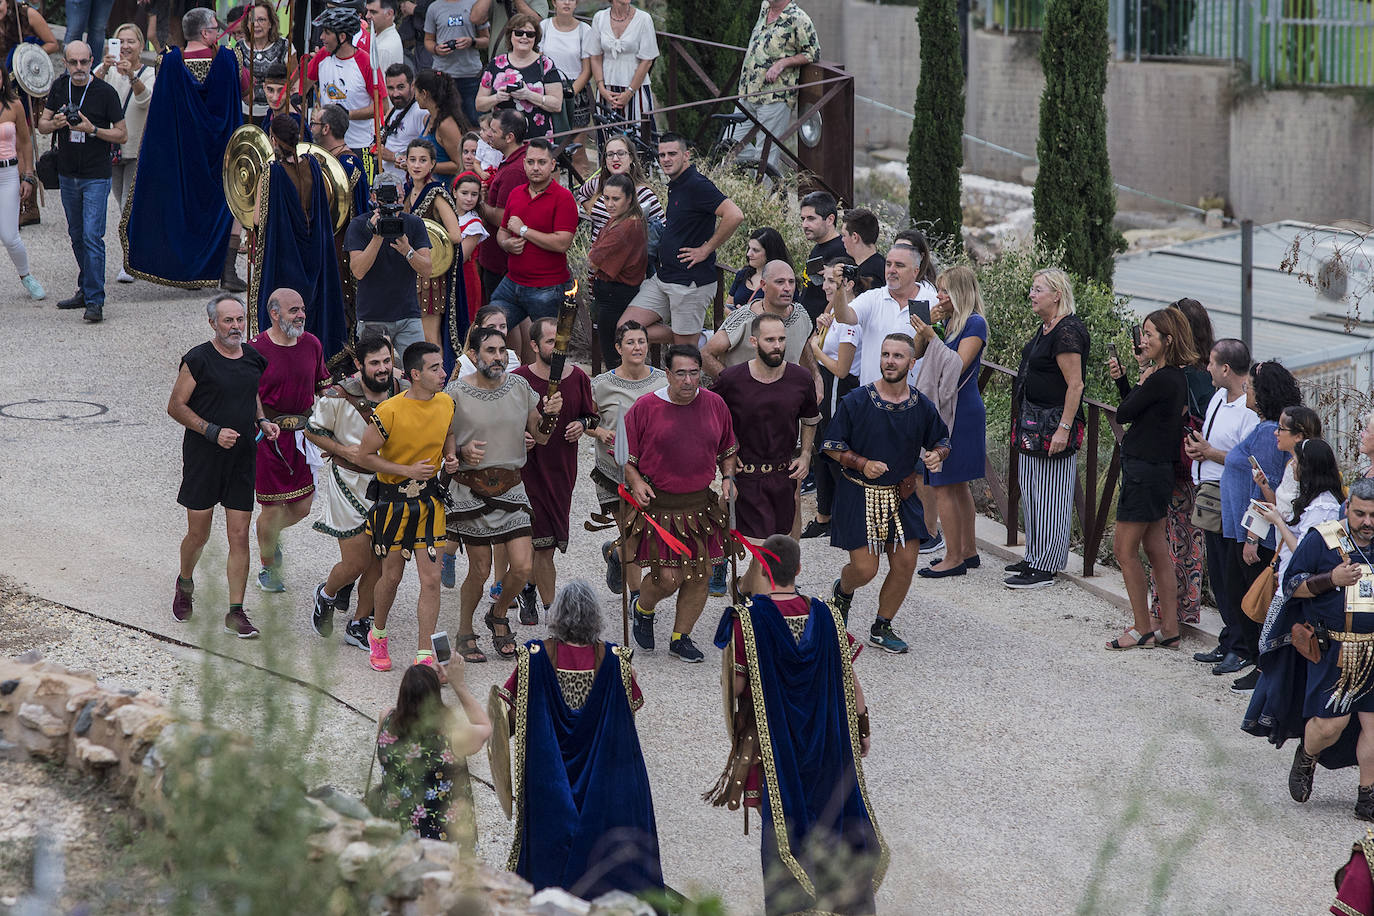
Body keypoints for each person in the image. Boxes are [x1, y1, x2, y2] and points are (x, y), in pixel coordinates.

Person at [709, 535, 885, 915]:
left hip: (778, 751)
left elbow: (736, 687)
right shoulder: (827, 615)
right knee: (832, 820)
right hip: (828, 745)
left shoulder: (748, 621)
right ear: (798, 571)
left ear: (761, 569)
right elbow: (850, 680)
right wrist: (862, 729)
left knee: (786, 832)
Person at [497, 579, 662, 897]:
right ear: (595, 617)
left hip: (548, 777)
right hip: (601, 779)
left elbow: (510, 719)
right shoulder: (616, 661)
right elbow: (627, 714)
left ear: (557, 615)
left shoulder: (533, 659)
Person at [823, 333, 950, 655]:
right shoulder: (856, 401)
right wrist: (861, 463)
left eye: (897, 356)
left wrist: (937, 454)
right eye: (885, 355)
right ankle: (843, 590)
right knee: (865, 570)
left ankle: (882, 625)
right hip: (859, 494)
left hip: (902, 495)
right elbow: (832, 446)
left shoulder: (922, 405)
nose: (890, 361)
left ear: (911, 362)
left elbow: (942, 440)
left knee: (906, 563)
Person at [167, 293, 281, 638]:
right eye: (228, 320)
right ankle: (185, 582)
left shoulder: (253, 359)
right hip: (204, 457)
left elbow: (252, 394)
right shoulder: (198, 360)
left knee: (239, 537)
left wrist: (261, 420)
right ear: (212, 323)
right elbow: (175, 406)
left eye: (240, 319)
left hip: (242, 457)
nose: (236, 327)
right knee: (198, 534)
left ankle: (236, 612)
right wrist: (211, 431)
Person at [445, 326, 560, 662]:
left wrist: (550, 415)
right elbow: (445, 439)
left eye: (502, 351)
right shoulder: (455, 392)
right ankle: (465, 629)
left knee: (523, 567)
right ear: (475, 355)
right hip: (470, 490)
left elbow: (540, 436)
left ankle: (497, 614)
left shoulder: (520, 387)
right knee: (480, 571)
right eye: (490, 350)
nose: (498, 357)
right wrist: (462, 452)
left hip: (512, 488)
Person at [1261, 477, 1374, 820]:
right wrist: (1331, 580)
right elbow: (1291, 584)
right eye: (1359, 514)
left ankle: (1367, 796)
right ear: (1347, 508)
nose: (1367, 522)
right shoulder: (1321, 540)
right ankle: (1307, 755)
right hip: (1335, 651)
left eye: (1373, 515)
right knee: (1331, 725)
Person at [622, 344, 743, 662]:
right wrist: (635, 482)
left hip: (700, 506)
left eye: (694, 373)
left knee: (699, 574)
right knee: (668, 578)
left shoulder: (716, 405)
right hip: (659, 508)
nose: (689, 381)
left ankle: (681, 636)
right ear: (667, 374)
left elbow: (728, 451)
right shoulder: (645, 407)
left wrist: (728, 479)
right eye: (681, 374)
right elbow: (626, 458)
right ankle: (643, 607)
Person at [829, 240, 942, 551]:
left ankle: (928, 535)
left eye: (899, 265)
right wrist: (840, 290)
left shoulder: (932, 299)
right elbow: (845, 317)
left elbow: (940, 345)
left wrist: (934, 319)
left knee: (918, 472)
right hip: (873, 400)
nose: (891, 270)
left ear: (916, 270)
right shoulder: (874, 297)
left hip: (916, 400)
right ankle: (877, 531)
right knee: (870, 467)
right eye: (889, 264)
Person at [352, 341, 459, 672]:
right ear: (415, 374)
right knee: (392, 576)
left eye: (442, 367)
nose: (443, 373)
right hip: (394, 504)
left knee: (430, 580)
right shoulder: (389, 411)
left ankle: (424, 653)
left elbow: (448, 432)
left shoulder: (446, 403)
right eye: (435, 368)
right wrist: (406, 471)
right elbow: (364, 456)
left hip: (430, 502)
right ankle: (378, 633)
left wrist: (451, 457)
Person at [305, 334, 407, 646]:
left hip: (388, 484)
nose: (382, 369)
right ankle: (327, 593)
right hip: (348, 481)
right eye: (375, 363)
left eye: (387, 361)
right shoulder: (339, 395)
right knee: (357, 562)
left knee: (378, 559)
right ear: (359, 365)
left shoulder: (402, 392)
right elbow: (312, 430)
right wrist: (342, 450)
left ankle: (359, 622)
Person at [1104, 308, 1194, 651]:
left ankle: (1142, 627)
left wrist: (1140, 376)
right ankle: (1168, 627)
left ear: (1167, 341)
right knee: (1156, 548)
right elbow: (1135, 406)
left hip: (1143, 471)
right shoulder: (1173, 378)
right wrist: (1125, 380)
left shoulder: (1161, 378)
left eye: (1149, 335)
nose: (1143, 341)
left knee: (1123, 550)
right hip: (1157, 470)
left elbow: (1125, 413)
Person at [122, 36, 241, 294]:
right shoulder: (229, 59)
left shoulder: (168, 61)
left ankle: (199, 271)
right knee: (226, 203)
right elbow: (243, 89)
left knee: (185, 206)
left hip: (181, 146)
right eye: (213, 29)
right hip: (219, 146)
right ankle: (225, 272)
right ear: (206, 32)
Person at [713, 314, 820, 594]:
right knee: (768, 554)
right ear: (753, 341)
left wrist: (806, 454)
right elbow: (713, 423)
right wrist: (725, 460)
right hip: (745, 479)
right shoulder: (731, 379)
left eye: (781, 339)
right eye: (770, 339)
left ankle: (744, 590)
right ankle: (766, 611)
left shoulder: (800, 378)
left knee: (775, 552)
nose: (777, 346)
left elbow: (810, 418)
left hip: (783, 479)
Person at [1211, 359, 1303, 680]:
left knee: (1254, 601)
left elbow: (1264, 487)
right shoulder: (1264, 427)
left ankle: (1262, 666)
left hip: (1257, 536)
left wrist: (1252, 537)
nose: (1245, 390)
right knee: (1243, 596)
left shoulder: (1266, 432)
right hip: (1246, 529)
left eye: (1250, 386)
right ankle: (1257, 663)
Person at [1003, 268, 1088, 589]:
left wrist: (1064, 429)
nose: (1031, 294)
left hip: (1053, 425)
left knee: (1052, 496)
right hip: (1031, 423)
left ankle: (1047, 566)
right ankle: (1034, 556)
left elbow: (1075, 385)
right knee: (1033, 493)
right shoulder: (1047, 327)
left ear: (1056, 294)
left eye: (1037, 289)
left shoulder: (1067, 331)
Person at [618, 134, 744, 346]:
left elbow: (735, 214)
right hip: (664, 277)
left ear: (686, 155)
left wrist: (706, 249)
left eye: (672, 154)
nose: (666, 159)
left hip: (690, 283)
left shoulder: (697, 184)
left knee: (684, 356)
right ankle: (697, 337)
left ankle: (694, 339)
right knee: (626, 330)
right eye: (662, 155)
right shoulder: (677, 184)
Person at [512, 316, 596, 623]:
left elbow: (593, 417)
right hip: (528, 473)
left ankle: (529, 588)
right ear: (534, 345)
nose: (558, 348)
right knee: (543, 546)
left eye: (561, 341)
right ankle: (553, 615)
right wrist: (519, 435)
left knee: (544, 544)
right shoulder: (518, 379)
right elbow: (505, 423)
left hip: (562, 472)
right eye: (550, 341)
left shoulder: (578, 378)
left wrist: (582, 424)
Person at [36, 41, 126, 323]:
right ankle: (86, 289)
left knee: (91, 235)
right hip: (67, 173)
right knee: (76, 234)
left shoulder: (105, 92)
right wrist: (57, 123)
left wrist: (93, 129)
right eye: (73, 63)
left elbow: (122, 135)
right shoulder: (59, 87)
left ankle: (95, 300)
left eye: (84, 63)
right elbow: (42, 125)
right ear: (65, 62)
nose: (79, 68)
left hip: (96, 175)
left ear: (92, 61)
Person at [249, 288, 330, 593]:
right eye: (293, 310)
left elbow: (324, 386)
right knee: (272, 507)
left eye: (302, 309)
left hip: (303, 436)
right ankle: (268, 567)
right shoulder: (255, 348)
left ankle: (269, 535)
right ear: (275, 313)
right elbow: (250, 391)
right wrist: (260, 421)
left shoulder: (311, 344)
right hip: (267, 437)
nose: (301, 315)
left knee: (303, 506)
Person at [1185, 339, 1258, 666]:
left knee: (1232, 572)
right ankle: (1229, 637)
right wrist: (1200, 450)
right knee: (1217, 570)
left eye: (1212, 363)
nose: (1208, 368)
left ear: (1226, 368)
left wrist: (1210, 453)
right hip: (1211, 491)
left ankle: (1242, 647)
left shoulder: (1248, 409)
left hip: (1234, 495)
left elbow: (1250, 460)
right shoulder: (1217, 397)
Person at [911, 266, 987, 578]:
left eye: (944, 291)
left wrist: (932, 335)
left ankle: (954, 557)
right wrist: (926, 326)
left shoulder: (974, 323)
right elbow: (916, 353)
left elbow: (957, 365)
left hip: (961, 411)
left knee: (944, 483)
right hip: (948, 407)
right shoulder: (949, 323)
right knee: (955, 485)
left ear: (960, 293)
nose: (939, 296)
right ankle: (968, 551)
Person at [253, 115, 348, 359]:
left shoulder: (271, 172)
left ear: (274, 139)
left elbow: (256, 219)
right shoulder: (314, 165)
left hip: (285, 253)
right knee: (312, 308)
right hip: (314, 251)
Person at [1146, 298, 1216, 629]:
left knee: (1170, 539)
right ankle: (1184, 610)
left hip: (1176, 464)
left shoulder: (1181, 375)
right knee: (1189, 542)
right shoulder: (1208, 374)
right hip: (1196, 467)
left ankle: (1166, 611)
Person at [589, 321, 667, 602]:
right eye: (631, 342)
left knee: (649, 536)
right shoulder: (601, 385)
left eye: (642, 342)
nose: (638, 347)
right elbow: (584, 418)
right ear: (618, 348)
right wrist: (599, 431)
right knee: (634, 534)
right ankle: (636, 598)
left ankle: (615, 552)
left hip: (655, 472)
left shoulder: (663, 381)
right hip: (614, 473)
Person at [374, 660, 490, 845]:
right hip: (443, 836)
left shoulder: (386, 718)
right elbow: (485, 727)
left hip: (396, 828)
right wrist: (458, 685)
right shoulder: (452, 735)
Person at [490, 137, 577, 362]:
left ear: (552, 165)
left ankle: (553, 390)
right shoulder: (516, 193)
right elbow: (502, 231)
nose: (535, 167)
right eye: (530, 162)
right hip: (512, 284)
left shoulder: (563, 198)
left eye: (541, 162)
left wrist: (524, 230)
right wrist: (506, 243)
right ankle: (511, 375)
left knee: (550, 351)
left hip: (547, 288)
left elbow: (562, 243)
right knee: (488, 329)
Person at [346, 169, 434, 358]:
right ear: (373, 197)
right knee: (377, 374)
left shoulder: (414, 223)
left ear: (403, 197)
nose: (391, 205)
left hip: (408, 315)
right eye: (386, 201)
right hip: (372, 317)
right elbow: (358, 271)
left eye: (397, 198)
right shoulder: (359, 225)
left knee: (416, 370)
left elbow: (427, 270)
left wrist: (408, 250)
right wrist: (377, 237)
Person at [802, 259, 859, 540]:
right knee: (821, 452)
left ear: (847, 284)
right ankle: (824, 515)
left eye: (831, 282)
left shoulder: (852, 316)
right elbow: (818, 338)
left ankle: (847, 518)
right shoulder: (831, 309)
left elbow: (841, 368)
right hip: (826, 385)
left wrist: (815, 347)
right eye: (823, 281)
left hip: (840, 386)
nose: (824, 287)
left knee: (835, 451)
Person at [732, 0, 818, 173]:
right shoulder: (764, 8)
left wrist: (783, 63)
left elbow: (813, 53)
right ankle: (752, 184)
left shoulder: (799, 18)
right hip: (747, 92)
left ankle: (762, 196)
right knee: (732, 145)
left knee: (765, 155)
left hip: (775, 97)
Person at [95, 22, 151, 287]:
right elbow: (89, 89)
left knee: (127, 206)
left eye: (131, 41)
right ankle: (136, 253)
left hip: (136, 149)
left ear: (141, 45)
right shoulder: (109, 71)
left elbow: (146, 101)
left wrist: (132, 76)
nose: (126, 47)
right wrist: (105, 67)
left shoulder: (149, 73)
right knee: (120, 205)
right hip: (112, 148)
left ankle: (130, 261)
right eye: (121, 41)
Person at [403, 138, 466, 360]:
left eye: (423, 160)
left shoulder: (437, 194)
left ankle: (440, 384)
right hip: (411, 271)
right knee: (415, 336)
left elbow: (456, 235)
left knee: (430, 337)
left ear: (432, 164)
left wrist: (427, 240)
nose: (417, 165)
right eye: (412, 160)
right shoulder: (408, 190)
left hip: (430, 278)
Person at [703, 259, 813, 377]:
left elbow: (804, 346)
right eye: (780, 282)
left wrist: (816, 378)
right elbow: (706, 355)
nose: (787, 288)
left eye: (791, 282)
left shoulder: (800, 314)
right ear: (764, 285)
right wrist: (732, 385)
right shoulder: (743, 318)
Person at [587, 173, 648, 371]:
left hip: (616, 295)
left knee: (614, 355)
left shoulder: (626, 227)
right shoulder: (619, 220)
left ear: (629, 198)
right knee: (614, 351)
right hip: (611, 293)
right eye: (606, 198)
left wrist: (594, 256)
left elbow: (593, 261)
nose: (610, 204)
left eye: (616, 199)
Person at [475, 13, 561, 139]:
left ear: (535, 38)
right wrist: (497, 97)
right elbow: (479, 104)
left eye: (530, 34)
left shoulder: (546, 64)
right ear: (511, 35)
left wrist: (529, 95)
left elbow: (557, 104)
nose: (524, 37)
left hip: (538, 138)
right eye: (519, 33)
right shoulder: (496, 63)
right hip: (502, 139)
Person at [474, 108, 528, 301]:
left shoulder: (514, 171)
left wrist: (479, 203)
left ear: (509, 137)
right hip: (495, 259)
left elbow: (501, 217)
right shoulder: (511, 162)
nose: (489, 134)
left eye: (494, 131)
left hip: (500, 263)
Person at [586, 0, 657, 147]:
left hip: (635, 89)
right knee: (608, 141)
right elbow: (595, 55)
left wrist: (629, 92)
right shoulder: (599, 17)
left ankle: (641, 170)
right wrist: (601, 88)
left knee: (638, 140)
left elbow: (647, 60)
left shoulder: (644, 19)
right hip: (607, 90)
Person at [306, 7, 376, 155]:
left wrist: (346, 114)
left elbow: (381, 107)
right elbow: (300, 88)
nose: (321, 37)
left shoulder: (366, 62)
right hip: (327, 145)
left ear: (342, 37)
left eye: (327, 33)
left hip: (358, 145)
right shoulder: (323, 56)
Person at [573, 132, 663, 242]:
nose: (615, 159)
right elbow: (581, 195)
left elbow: (662, 228)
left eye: (621, 153)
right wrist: (590, 208)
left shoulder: (644, 193)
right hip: (596, 255)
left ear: (631, 158)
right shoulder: (597, 183)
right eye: (610, 154)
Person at [0, 66, 42, 300]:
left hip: (8, 173)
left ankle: (25, 275)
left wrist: (28, 174)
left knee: (9, 235)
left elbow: (26, 143)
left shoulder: (14, 105)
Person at [540, 0, 592, 176]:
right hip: (548, 89)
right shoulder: (544, 26)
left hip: (575, 92)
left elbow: (587, 69)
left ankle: (582, 195)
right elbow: (538, 60)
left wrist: (569, 94)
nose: (567, 2)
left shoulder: (584, 30)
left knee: (577, 150)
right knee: (550, 151)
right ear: (554, 2)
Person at [422, 0, 487, 126]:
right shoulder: (434, 8)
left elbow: (486, 39)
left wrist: (472, 42)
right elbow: (428, 40)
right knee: (444, 122)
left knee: (475, 122)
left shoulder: (475, 5)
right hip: (443, 76)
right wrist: (436, 48)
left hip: (470, 75)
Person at [311, 103, 371, 222]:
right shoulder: (325, 158)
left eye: (314, 124)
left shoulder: (348, 166)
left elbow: (356, 214)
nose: (311, 128)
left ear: (325, 129)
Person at [235, 0, 294, 121]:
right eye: (252, 20)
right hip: (244, 114)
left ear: (271, 23)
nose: (256, 24)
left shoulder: (284, 46)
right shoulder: (239, 47)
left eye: (261, 20)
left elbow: (294, 79)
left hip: (277, 114)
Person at [798, 191, 846, 322]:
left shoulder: (841, 250)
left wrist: (818, 333)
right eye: (803, 219)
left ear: (830, 219)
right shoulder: (818, 247)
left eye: (811, 218)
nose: (805, 225)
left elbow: (841, 295)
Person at [415, 67, 467, 180]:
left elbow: (459, 165)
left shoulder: (446, 125)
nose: (415, 97)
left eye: (416, 91)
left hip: (444, 190)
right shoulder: (428, 119)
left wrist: (424, 167)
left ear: (424, 93)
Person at [378, 63, 428, 176]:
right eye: (390, 88)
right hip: (387, 181)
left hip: (407, 184)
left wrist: (393, 156)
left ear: (412, 85)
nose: (395, 94)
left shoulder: (421, 113)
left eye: (401, 87)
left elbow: (428, 154)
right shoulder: (392, 111)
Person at [451, 170, 488, 322]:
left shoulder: (474, 223)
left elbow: (460, 257)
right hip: (446, 278)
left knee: (464, 320)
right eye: (464, 193)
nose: (469, 198)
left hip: (465, 278)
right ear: (454, 193)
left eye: (474, 194)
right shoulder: (447, 215)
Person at [728, 226, 790, 310]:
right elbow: (728, 304)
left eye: (755, 250)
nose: (749, 254)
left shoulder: (786, 282)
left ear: (770, 253)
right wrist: (738, 316)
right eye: (749, 248)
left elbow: (788, 312)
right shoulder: (743, 275)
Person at [841, 207, 885, 293]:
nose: (842, 240)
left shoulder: (868, 275)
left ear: (855, 237)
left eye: (844, 235)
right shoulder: (881, 264)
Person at [367, 0, 405, 76]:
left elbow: (381, 84)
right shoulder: (382, 36)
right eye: (367, 11)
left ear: (389, 14)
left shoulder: (385, 48)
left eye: (373, 12)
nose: (367, 16)